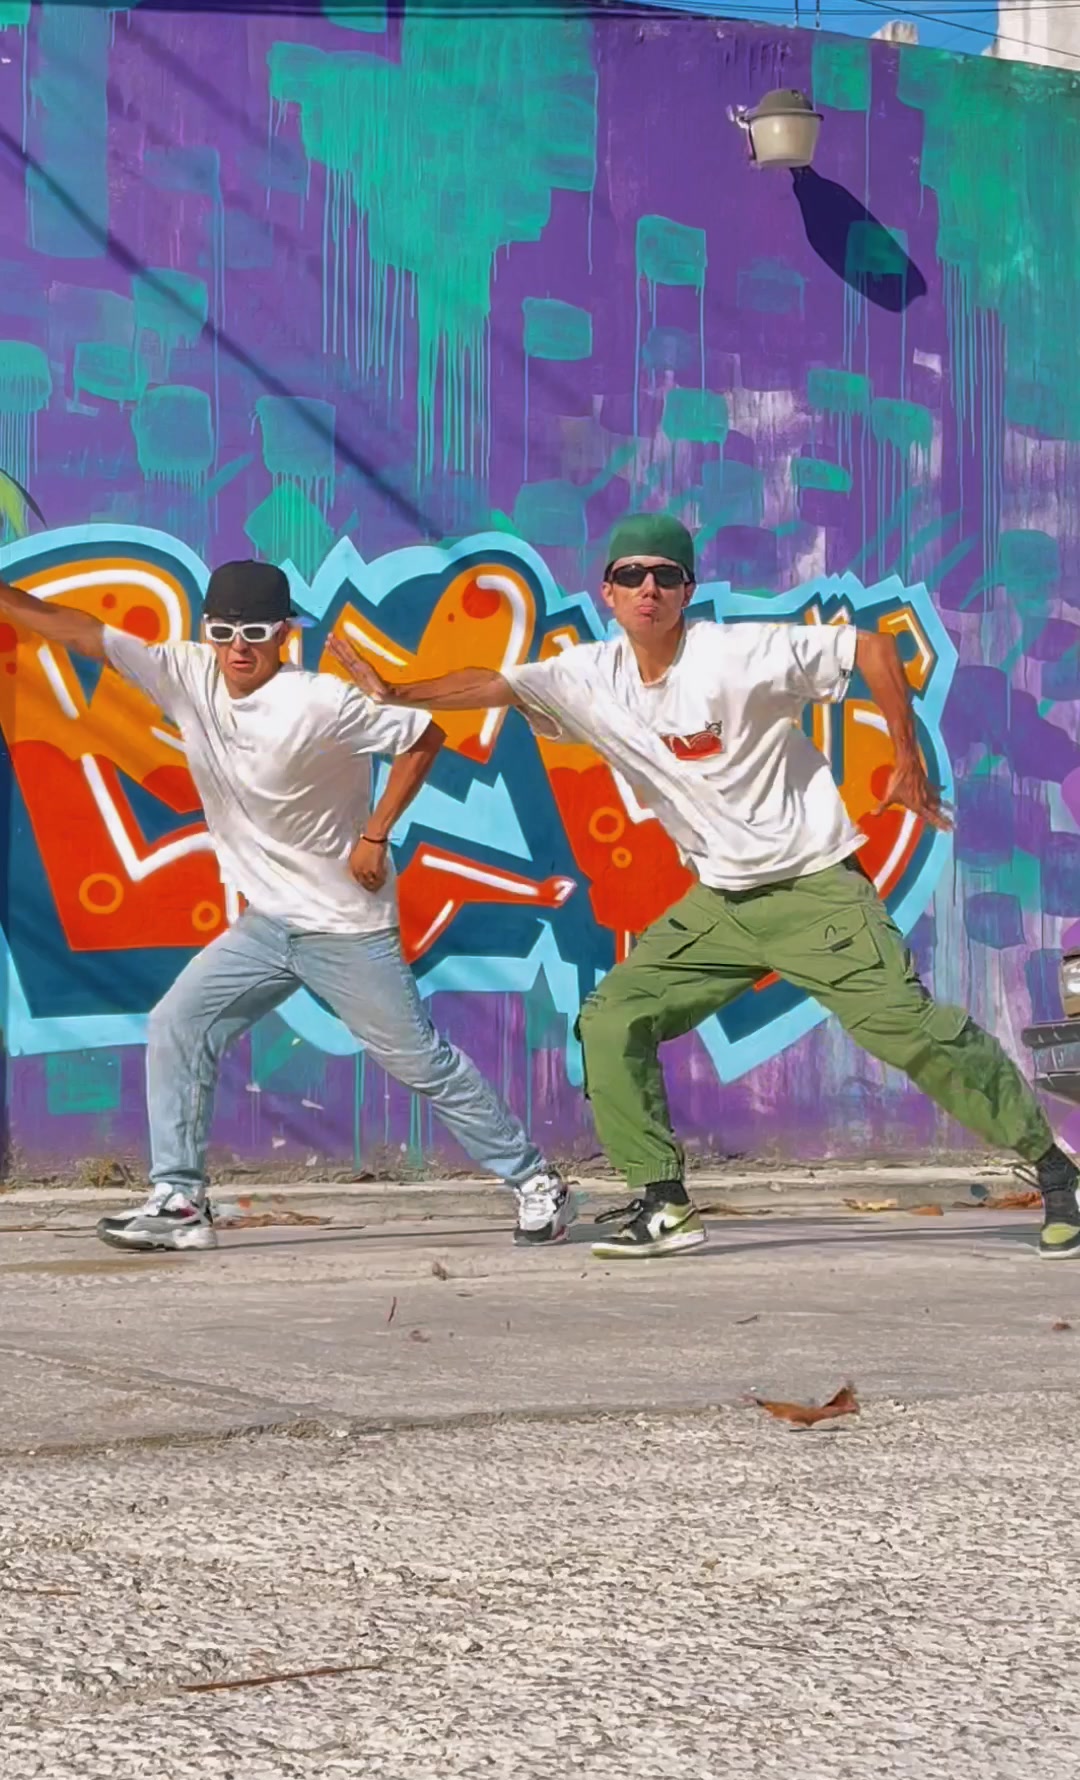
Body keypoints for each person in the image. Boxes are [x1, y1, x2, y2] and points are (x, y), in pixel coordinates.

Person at [328, 512, 1080, 1261]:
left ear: (686, 591)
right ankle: (665, 1205)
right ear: (609, 592)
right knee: (613, 1018)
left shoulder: (735, 655)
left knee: (907, 1031)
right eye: (631, 576)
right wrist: (396, 688)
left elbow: (873, 648)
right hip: (723, 905)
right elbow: (495, 682)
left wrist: (907, 757)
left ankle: (1057, 1172)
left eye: (665, 576)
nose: (647, 588)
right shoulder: (587, 675)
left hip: (813, 890)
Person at [0, 559, 574, 1251]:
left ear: (283, 634)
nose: (238, 647)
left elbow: (423, 737)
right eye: (223, 632)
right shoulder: (183, 673)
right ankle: (180, 1203)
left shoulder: (319, 701)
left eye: (255, 632)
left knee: (418, 1060)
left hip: (343, 926)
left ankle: (536, 1182)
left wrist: (375, 835)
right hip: (268, 925)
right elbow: (77, 629)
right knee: (178, 1024)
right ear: (206, 632)